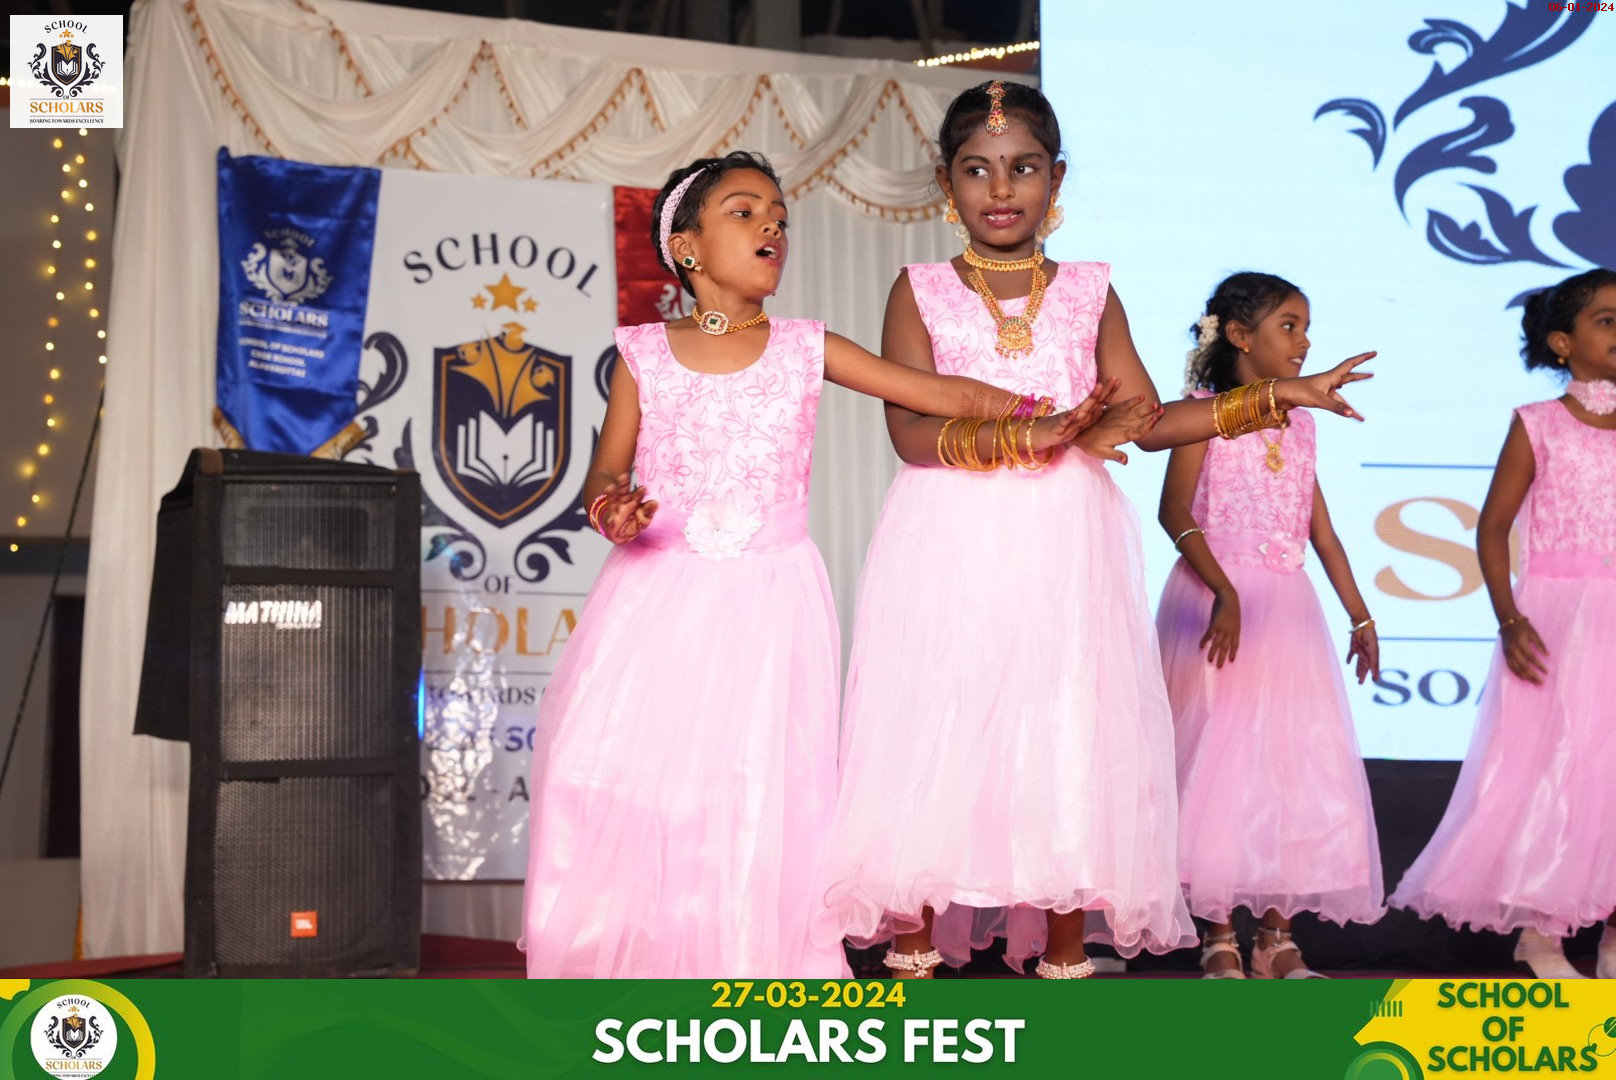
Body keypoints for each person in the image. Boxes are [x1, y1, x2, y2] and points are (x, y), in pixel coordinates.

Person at [813, 81, 1376, 979]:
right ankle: (913, 953)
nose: (1002, 189)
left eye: (1024, 167)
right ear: (946, 184)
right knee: (934, 718)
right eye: (977, 170)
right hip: (948, 534)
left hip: (1067, 541)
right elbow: (911, 434)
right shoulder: (919, 291)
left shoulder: (1089, 293)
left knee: (1063, 726)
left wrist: (1277, 395)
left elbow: (1148, 423)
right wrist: (1033, 435)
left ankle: (1065, 958)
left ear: (1057, 178)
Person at [520, 150, 1106, 978]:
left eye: (780, 218)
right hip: (654, 600)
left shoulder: (805, 346)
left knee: (755, 786)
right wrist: (613, 508)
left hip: (768, 603)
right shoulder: (643, 355)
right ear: (686, 248)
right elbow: (605, 475)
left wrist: (1042, 415)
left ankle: (749, 967)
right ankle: (629, 971)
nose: (771, 227)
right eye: (744, 212)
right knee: (620, 775)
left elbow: (937, 393)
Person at [1156, 272, 1385, 979]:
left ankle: (1276, 938)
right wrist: (1223, 590)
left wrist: (1360, 612)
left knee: (1292, 766)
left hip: (1288, 610)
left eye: (1306, 327)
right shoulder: (1202, 413)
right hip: (1215, 602)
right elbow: (1174, 511)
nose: (1304, 341)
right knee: (1215, 763)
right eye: (1289, 325)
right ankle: (1219, 935)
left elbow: (1322, 532)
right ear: (1238, 336)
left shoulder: (1303, 422)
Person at [1390, 267, 1616, 980]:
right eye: (1607, 319)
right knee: (1557, 769)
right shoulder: (1539, 423)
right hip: (1558, 617)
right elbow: (1492, 527)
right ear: (1562, 343)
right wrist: (1509, 618)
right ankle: (1542, 932)